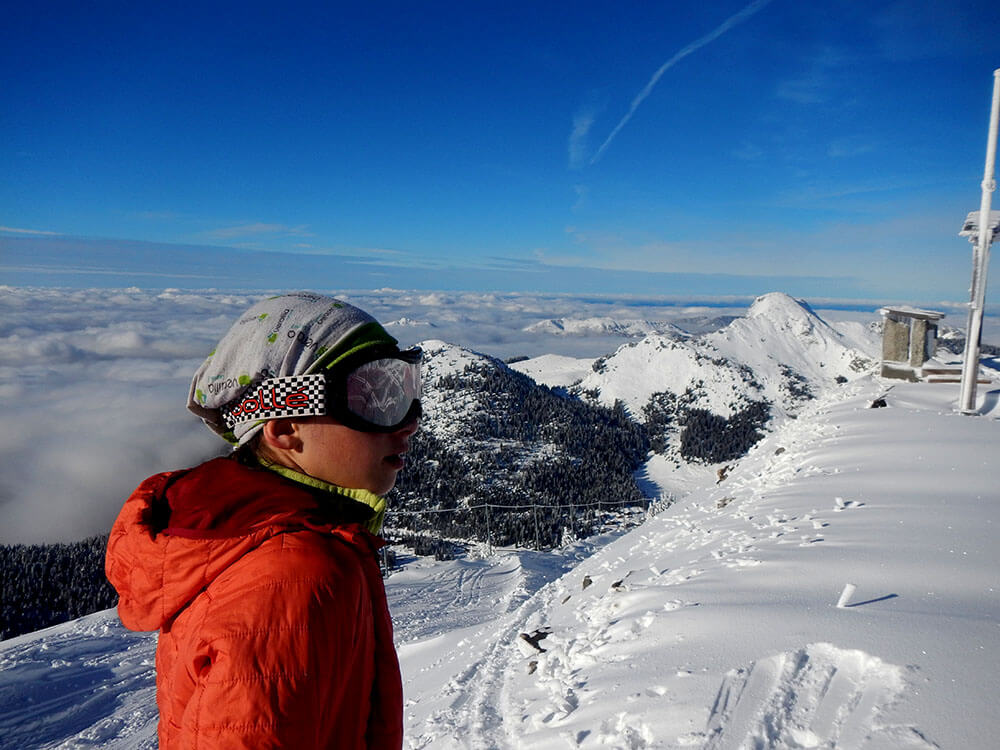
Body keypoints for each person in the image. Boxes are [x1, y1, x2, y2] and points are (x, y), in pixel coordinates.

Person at [106, 292, 420, 749]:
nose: (409, 421)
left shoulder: (250, 540)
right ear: (285, 428)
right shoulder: (298, 575)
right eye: (370, 396)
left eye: (406, 388)